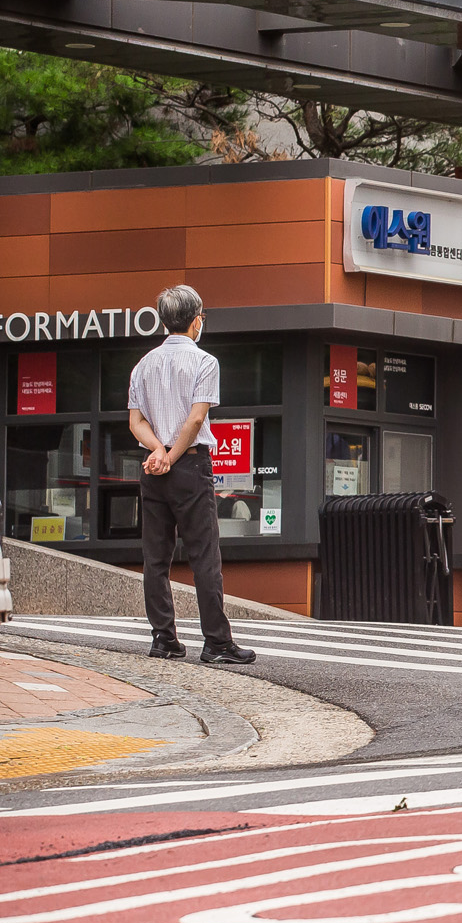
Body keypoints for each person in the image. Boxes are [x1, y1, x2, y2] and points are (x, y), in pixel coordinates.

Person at [125, 285, 254, 665]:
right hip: (191, 464)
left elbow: (136, 421)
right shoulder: (205, 362)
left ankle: (163, 638)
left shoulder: (143, 364)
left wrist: (159, 453)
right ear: (196, 319)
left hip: (154, 467)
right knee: (204, 558)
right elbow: (196, 418)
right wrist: (173, 455)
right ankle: (216, 643)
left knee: (156, 558)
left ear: (164, 321)